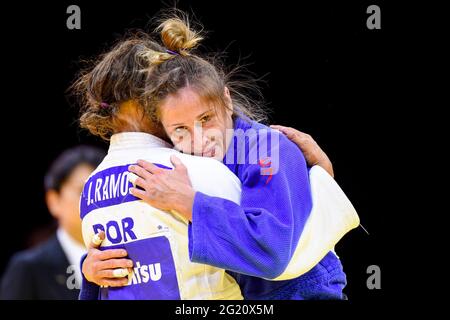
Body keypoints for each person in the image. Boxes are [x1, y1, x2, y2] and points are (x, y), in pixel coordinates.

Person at [78, 12, 359, 300]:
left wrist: (188, 202)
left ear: (226, 99)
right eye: (180, 128)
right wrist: (91, 270)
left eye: (206, 118)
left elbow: (271, 252)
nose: (198, 138)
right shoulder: (179, 160)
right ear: (161, 122)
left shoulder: (268, 148)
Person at [0, 145, 105, 299]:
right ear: (53, 201)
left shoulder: (130, 257)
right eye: (82, 191)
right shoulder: (29, 268)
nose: (94, 201)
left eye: (101, 191)